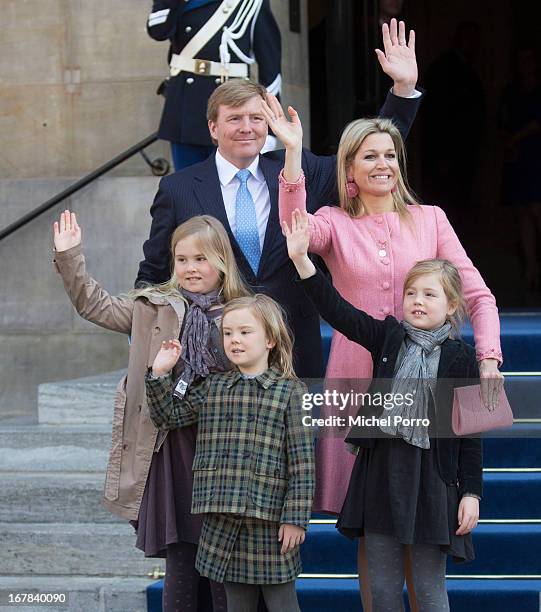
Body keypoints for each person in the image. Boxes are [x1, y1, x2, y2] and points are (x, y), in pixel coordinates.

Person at [270, 104, 503, 608]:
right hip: (358, 381)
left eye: (391, 154)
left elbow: (478, 296)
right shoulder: (332, 221)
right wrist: (291, 155)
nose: (383, 163)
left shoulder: (430, 219)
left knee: (425, 527)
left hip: (436, 380)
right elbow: (297, 232)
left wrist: (487, 357)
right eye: (369, 155)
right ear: (349, 171)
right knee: (374, 528)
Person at [136, 18, 422, 379]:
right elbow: (154, 271)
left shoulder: (298, 168)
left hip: (294, 345)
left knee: (302, 436)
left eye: (257, 118)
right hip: (217, 352)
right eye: (234, 118)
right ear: (212, 128)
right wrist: (144, 335)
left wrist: (403, 90)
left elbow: (367, 158)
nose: (247, 127)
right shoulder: (178, 189)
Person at [53, 211, 252, 611]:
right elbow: (94, 305)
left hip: (223, 455)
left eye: (201, 258)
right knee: (180, 557)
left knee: (224, 568)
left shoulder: (244, 313)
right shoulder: (151, 308)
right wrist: (70, 255)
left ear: (222, 261)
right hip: (171, 451)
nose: (191, 268)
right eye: (182, 259)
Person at [283, 218, 484, 611]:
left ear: (452, 305)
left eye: (429, 294)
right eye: (411, 293)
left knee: (428, 591)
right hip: (380, 479)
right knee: (384, 589)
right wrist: (303, 261)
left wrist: (471, 492)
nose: (418, 301)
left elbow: (471, 436)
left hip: (433, 483)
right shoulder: (389, 338)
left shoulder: (462, 359)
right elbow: (339, 312)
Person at [145, 294, 315, 612]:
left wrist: (295, 519)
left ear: (270, 340)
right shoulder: (212, 388)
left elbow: (303, 464)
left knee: (282, 604)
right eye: (228, 333)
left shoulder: (293, 393)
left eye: (245, 332)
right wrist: (159, 374)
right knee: (236, 605)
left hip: (268, 521)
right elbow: (167, 416)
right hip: (221, 520)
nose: (234, 340)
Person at [147, 0, 281, 170]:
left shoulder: (251, 2)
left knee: (231, 188)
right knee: (188, 190)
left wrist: (269, 128)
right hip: (185, 108)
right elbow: (158, 31)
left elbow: (270, 68)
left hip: (233, 109)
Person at [497, 45, 541, 290]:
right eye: (520, 60)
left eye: (529, 59)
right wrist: (508, 141)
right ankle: (530, 268)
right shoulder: (511, 90)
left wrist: (514, 140)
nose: (524, 64)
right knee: (523, 212)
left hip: (535, 155)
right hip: (516, 157)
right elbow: (500, 120)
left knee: (537, 211)